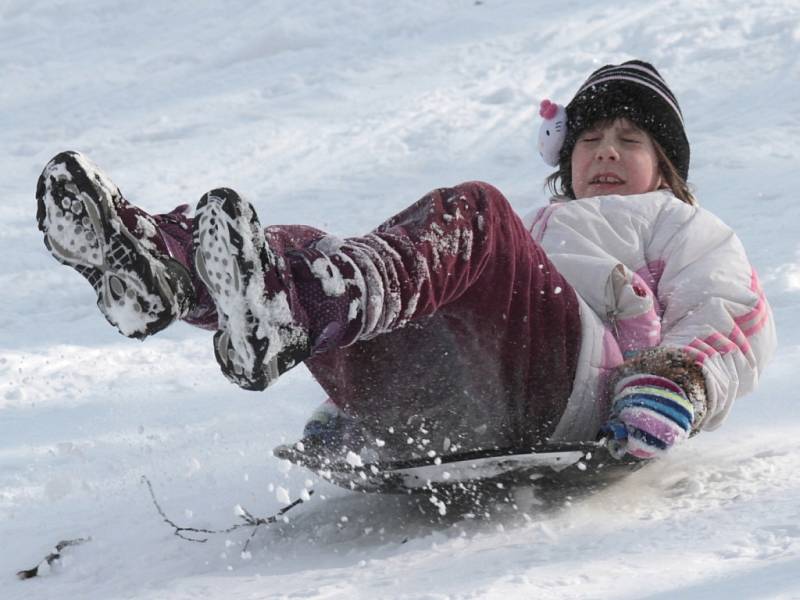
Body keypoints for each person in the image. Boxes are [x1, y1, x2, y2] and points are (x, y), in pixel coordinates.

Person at [35, 60, 775, 463]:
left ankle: (305, 312)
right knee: (304, 247)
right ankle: (158, 264)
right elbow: (438, 301)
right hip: (462, 394)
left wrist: (676, 385)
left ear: (668, 170)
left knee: (472, 216)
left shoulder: (681, 223)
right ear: (567, 160)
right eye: (590, 139)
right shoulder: (538, 225)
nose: (606, 150)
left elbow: (731, 318)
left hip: (574, 391)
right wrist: (355, 401)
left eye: (629, 139)